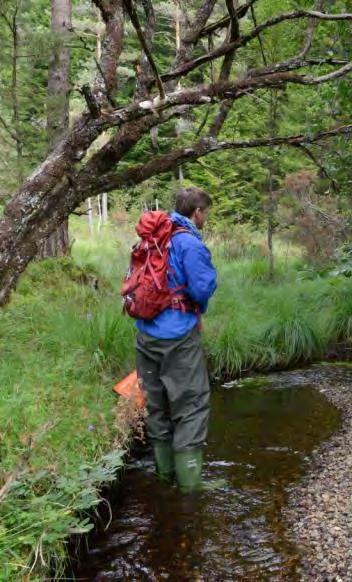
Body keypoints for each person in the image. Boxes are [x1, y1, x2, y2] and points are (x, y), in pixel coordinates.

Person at [135, 187, 217, 491]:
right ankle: (190, 486)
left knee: (157, 405)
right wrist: (199, 311)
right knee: (191, 404)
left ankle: (165, 475)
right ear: (197, 212)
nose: (206, 217)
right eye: (205, 212)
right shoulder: (189, 243)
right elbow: (201, 289)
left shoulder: (150, 239)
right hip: (179, 336)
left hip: (145, 334)